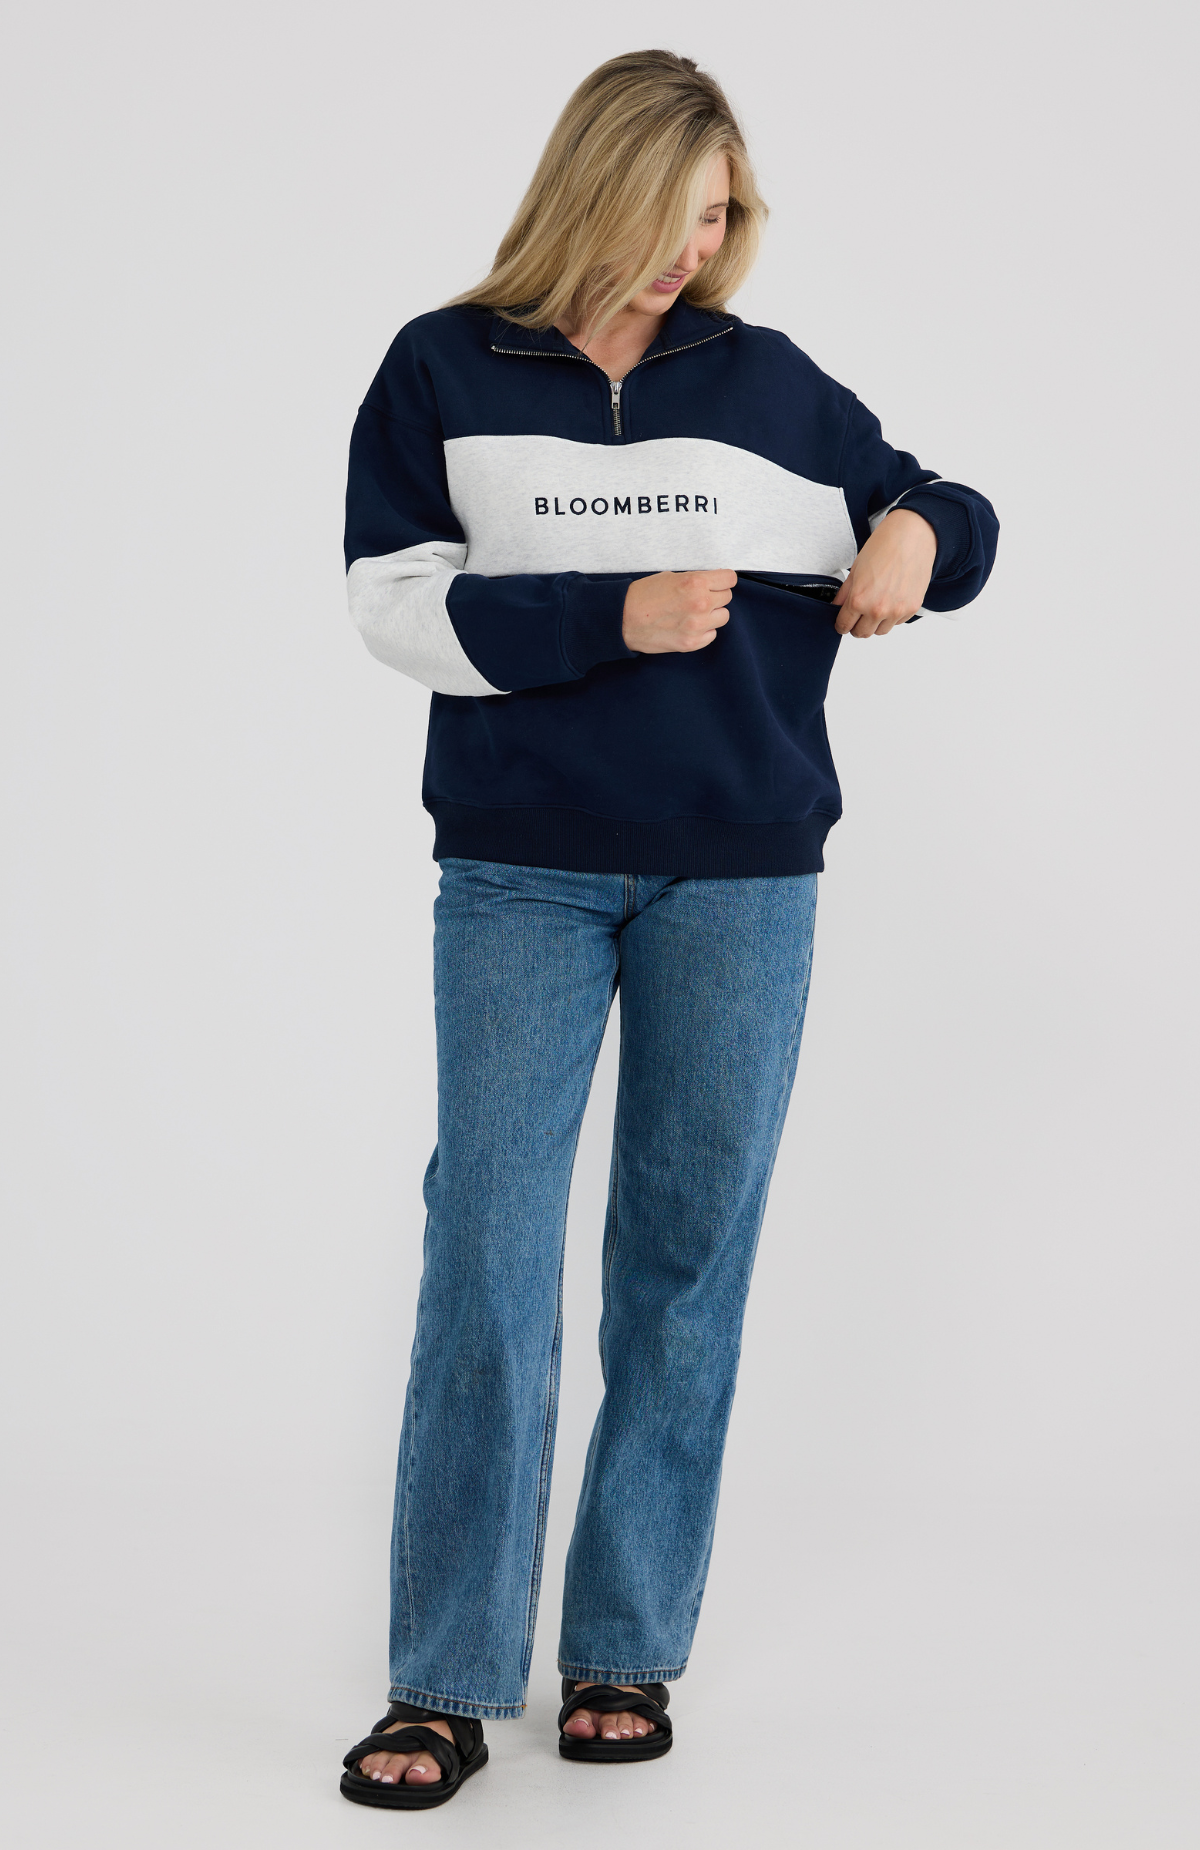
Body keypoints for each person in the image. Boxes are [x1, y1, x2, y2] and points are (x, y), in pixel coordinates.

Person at [337, 49, 998, 1809]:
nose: (689, 256)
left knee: (686, 1258)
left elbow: (953, 505)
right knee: (485, 1248)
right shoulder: (443, 369)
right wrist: (609, 617)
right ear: (591, 194)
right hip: (519, 868)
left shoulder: (768, 385)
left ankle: (623, 1642)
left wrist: (918, 538)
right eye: (666, 217)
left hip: (743, 872)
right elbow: (392, 608)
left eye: (718, 221)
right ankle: (445, 1676)